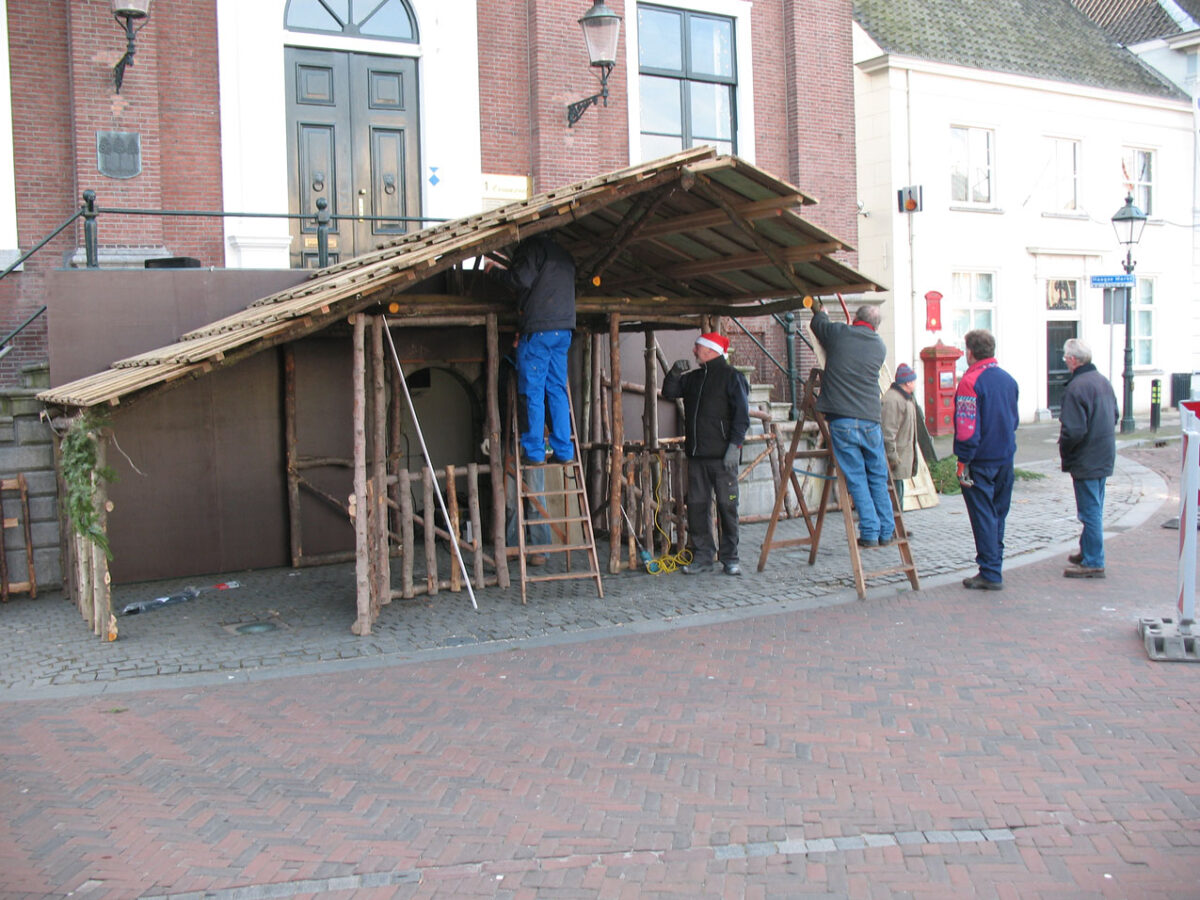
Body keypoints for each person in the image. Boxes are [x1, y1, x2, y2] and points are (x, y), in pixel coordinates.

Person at [662, 332, 750, 576]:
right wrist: (674, 373)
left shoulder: (733, 378)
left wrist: (735, 446)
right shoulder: (694, 378)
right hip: (697, 457)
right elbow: (669, 392)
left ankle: (730, 557)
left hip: (724, 458)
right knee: (698, 508)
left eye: (697, 347)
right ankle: (703, 557)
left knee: (728, 507)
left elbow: (742, 417)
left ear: (710, 350)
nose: (693, 350)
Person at [809, 300, 894, 548]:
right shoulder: (880, 346)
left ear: (856, 318)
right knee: (877, 477)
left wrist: (822, 312)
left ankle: (869, 531)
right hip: (870, 418)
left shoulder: (840, 334)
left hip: (842, 418)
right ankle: (886, 530)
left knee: (856, 478)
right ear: (876, 326)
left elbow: (818, 324)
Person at [490, 233, 576, 464]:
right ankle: (565, 451)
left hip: (539, 331)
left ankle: (535, 452)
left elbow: (520, 279)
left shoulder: (532, 248)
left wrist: (493, 271)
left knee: (532, 391)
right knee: (557, 389)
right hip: (564, 329)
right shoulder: (563, 252)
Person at [954, 329, 1019, 591]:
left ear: (970, 352)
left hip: (981, 460)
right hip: (1005, 456)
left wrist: (963, 459)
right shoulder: (1008, 380)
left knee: (983, 515)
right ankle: (995, 564)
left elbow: (967, 427)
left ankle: (990, 571)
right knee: (998, 514)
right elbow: (1013, 420)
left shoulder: (970, 382)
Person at [1058, 338, 1117, 579]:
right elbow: (1115, 415)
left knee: (1089, 511)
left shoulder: (1076, 387)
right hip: (1103, 454)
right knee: (1095, 506)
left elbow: (1073, 430)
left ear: (1072, 360)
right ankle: (1088, 551)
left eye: (1065, 358)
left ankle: (1094, 560)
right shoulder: (1103, 382)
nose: (1065, 362)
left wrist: (1067, 452)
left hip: (1087, 457)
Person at [881, 362, 920, 509]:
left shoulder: (903, 398)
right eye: (914, 380)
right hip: (895, 459)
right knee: (893, 497)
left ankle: (898, 528)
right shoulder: (893, 400)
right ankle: (894, 530)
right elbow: (888, 432)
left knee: (897, 494)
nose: (915, 383)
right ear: (908, 382)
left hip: (899, 457)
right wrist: (893, 458)